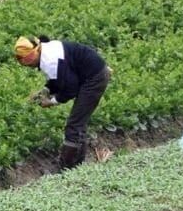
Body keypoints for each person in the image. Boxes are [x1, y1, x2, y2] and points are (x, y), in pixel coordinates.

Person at [14, 36, 111, 170]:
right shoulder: (47, 52)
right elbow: (58, 78)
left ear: (37, 50)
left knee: (74, 123)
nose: (27, 64)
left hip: (94, 78)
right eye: (22, 62)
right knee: (78, 122)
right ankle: (78, 165)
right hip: (88, 74)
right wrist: (45, 90)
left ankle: (66, 167)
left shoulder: (51, 61)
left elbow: (70, 89)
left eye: (28, 59)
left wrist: (52, 102)